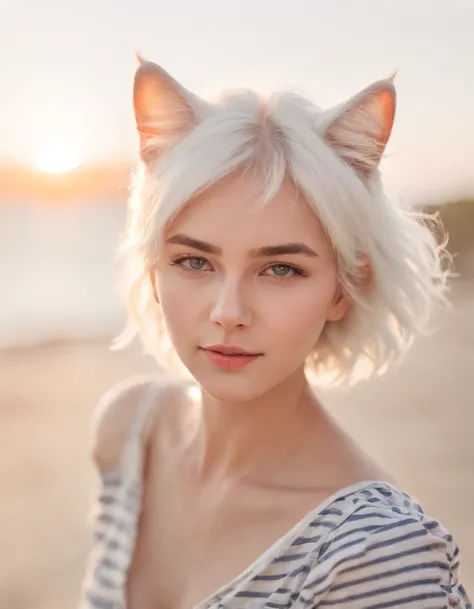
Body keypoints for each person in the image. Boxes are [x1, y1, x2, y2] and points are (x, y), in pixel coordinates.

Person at [78, 56, 471, 609]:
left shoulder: (375, 552)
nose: (228, 311)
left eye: (281, 268)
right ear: (152, 267)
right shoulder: (129, 434)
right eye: (193, 261)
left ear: (344, 288)